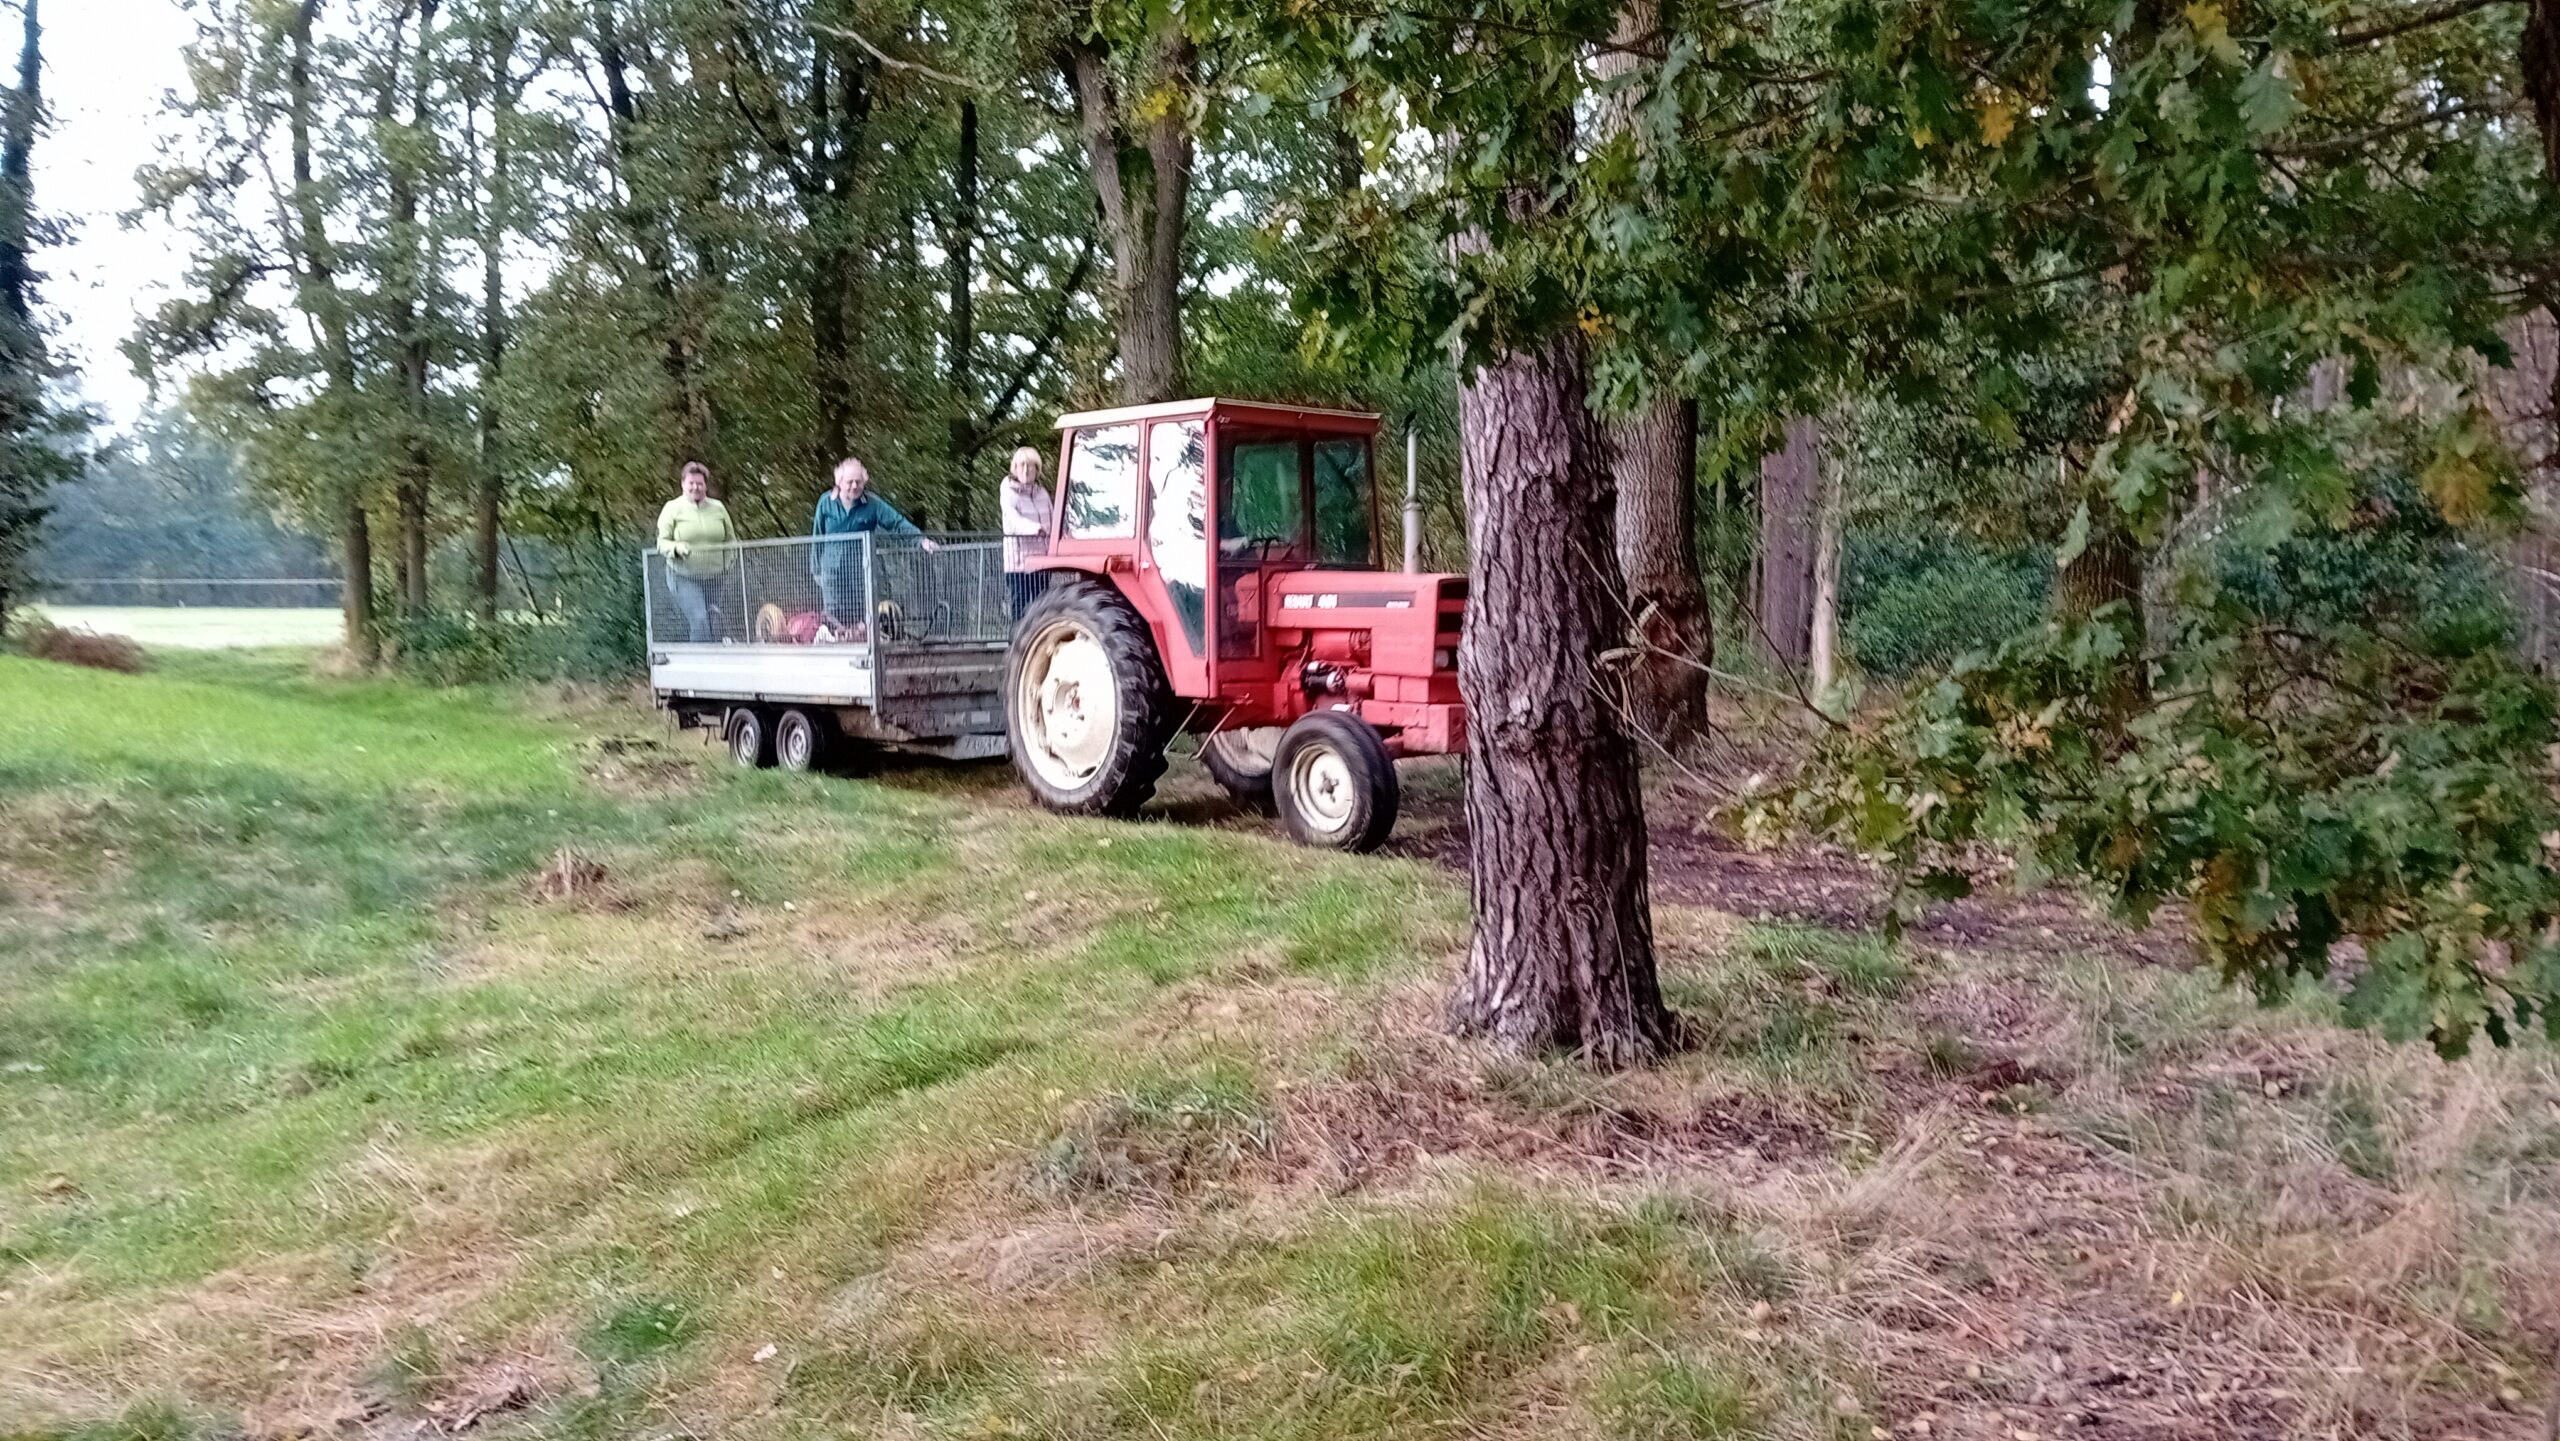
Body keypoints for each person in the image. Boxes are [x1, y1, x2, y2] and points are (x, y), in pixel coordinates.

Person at [810, 456, 937, 623]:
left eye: (859, 481)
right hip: (832, 572)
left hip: (861, 571)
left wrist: (920, 540)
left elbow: (896, 522)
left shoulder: (872, 504)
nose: (855, 486)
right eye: (850, 482)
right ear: (839, 482)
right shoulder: (825, 503)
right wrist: (816, 570)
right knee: (833, 617)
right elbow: (817, 536)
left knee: (862, 617)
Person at [655, 460, 734, 642]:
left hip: (715, 577)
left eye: (699, 483)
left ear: (705, 485)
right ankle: (698, 665)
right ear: (683, 484)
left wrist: (727, 562)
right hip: (683, 576)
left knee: (714, 621)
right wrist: (676, 548)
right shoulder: (672, 509)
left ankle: (716, 664)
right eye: (691, 483)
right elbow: (661, 543)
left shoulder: (718, 508)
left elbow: (730, 540)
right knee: (699, 619)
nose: (695, 487)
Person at [999, 445, 1054, 618]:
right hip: (1019, 565)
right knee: (1020, 611)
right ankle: (1017, 644)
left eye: (1030, 465)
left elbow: (1053, 520)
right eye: (1021, 465)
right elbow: (1013, 520)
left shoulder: (1042, 494)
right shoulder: (1008, 491)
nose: (1026, 470)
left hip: (1041, 563)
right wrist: (1035, 529)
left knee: (1042, 609)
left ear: (1037, 469)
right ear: (1014, 468)